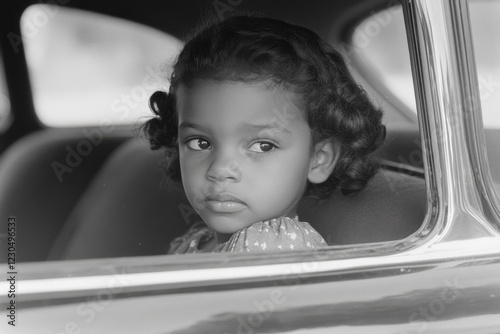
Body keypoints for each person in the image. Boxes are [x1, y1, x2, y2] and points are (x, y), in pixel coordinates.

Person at [142, 14, 385, 253]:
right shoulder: (200, 239)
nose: (219, 170)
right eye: (200, 142)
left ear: (319, 157)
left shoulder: (272, 247)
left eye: (263, 146)